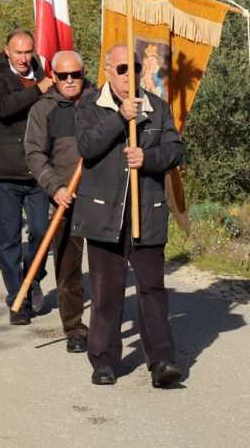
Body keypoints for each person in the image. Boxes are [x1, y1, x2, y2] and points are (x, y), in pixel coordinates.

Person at [71, 43, 185, 388]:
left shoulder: (158, 108)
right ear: (107, 71)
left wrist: (147, 159)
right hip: (105, 215)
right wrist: (120, 117)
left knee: (152, 288)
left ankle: (162, 361)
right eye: (121, 69)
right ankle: (104, 361)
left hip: (146, 213)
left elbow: (175, 151)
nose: (129, 75)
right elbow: (87, 146)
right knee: (107, 291)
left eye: (134, 68)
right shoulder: (90, 105)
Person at [0, 29, 54, 325]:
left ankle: (32, 275)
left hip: (38, 172)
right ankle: (17, 299)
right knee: (8, 240)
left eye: (28, 52)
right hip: (5, 172)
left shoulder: (44, 74)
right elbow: (4, 107)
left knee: (41, 232)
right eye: (18, 52)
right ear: (7, 51)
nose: (24, 58)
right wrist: (39, 89)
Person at [24, 50, 91, 353]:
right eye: (62, 75)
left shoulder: (100, 103)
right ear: (53, 76)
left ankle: (105, 326)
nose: (69, 81)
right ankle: (74, 328)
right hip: (65, 199)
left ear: (83, 73)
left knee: (107, 271)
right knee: (68, 270)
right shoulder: (43, 110)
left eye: (74, 75)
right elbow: (35, 154)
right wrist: (55, 188)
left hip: (105, 200)